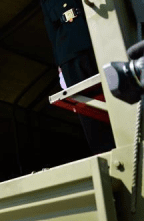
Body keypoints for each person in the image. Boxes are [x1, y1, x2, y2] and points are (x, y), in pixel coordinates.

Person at [40, 0, 115, 154]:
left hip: (93, 39)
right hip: (68, 52)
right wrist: (60, 66)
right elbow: (51, 28)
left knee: (114, 97)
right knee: (88, 111)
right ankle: (104, 154)